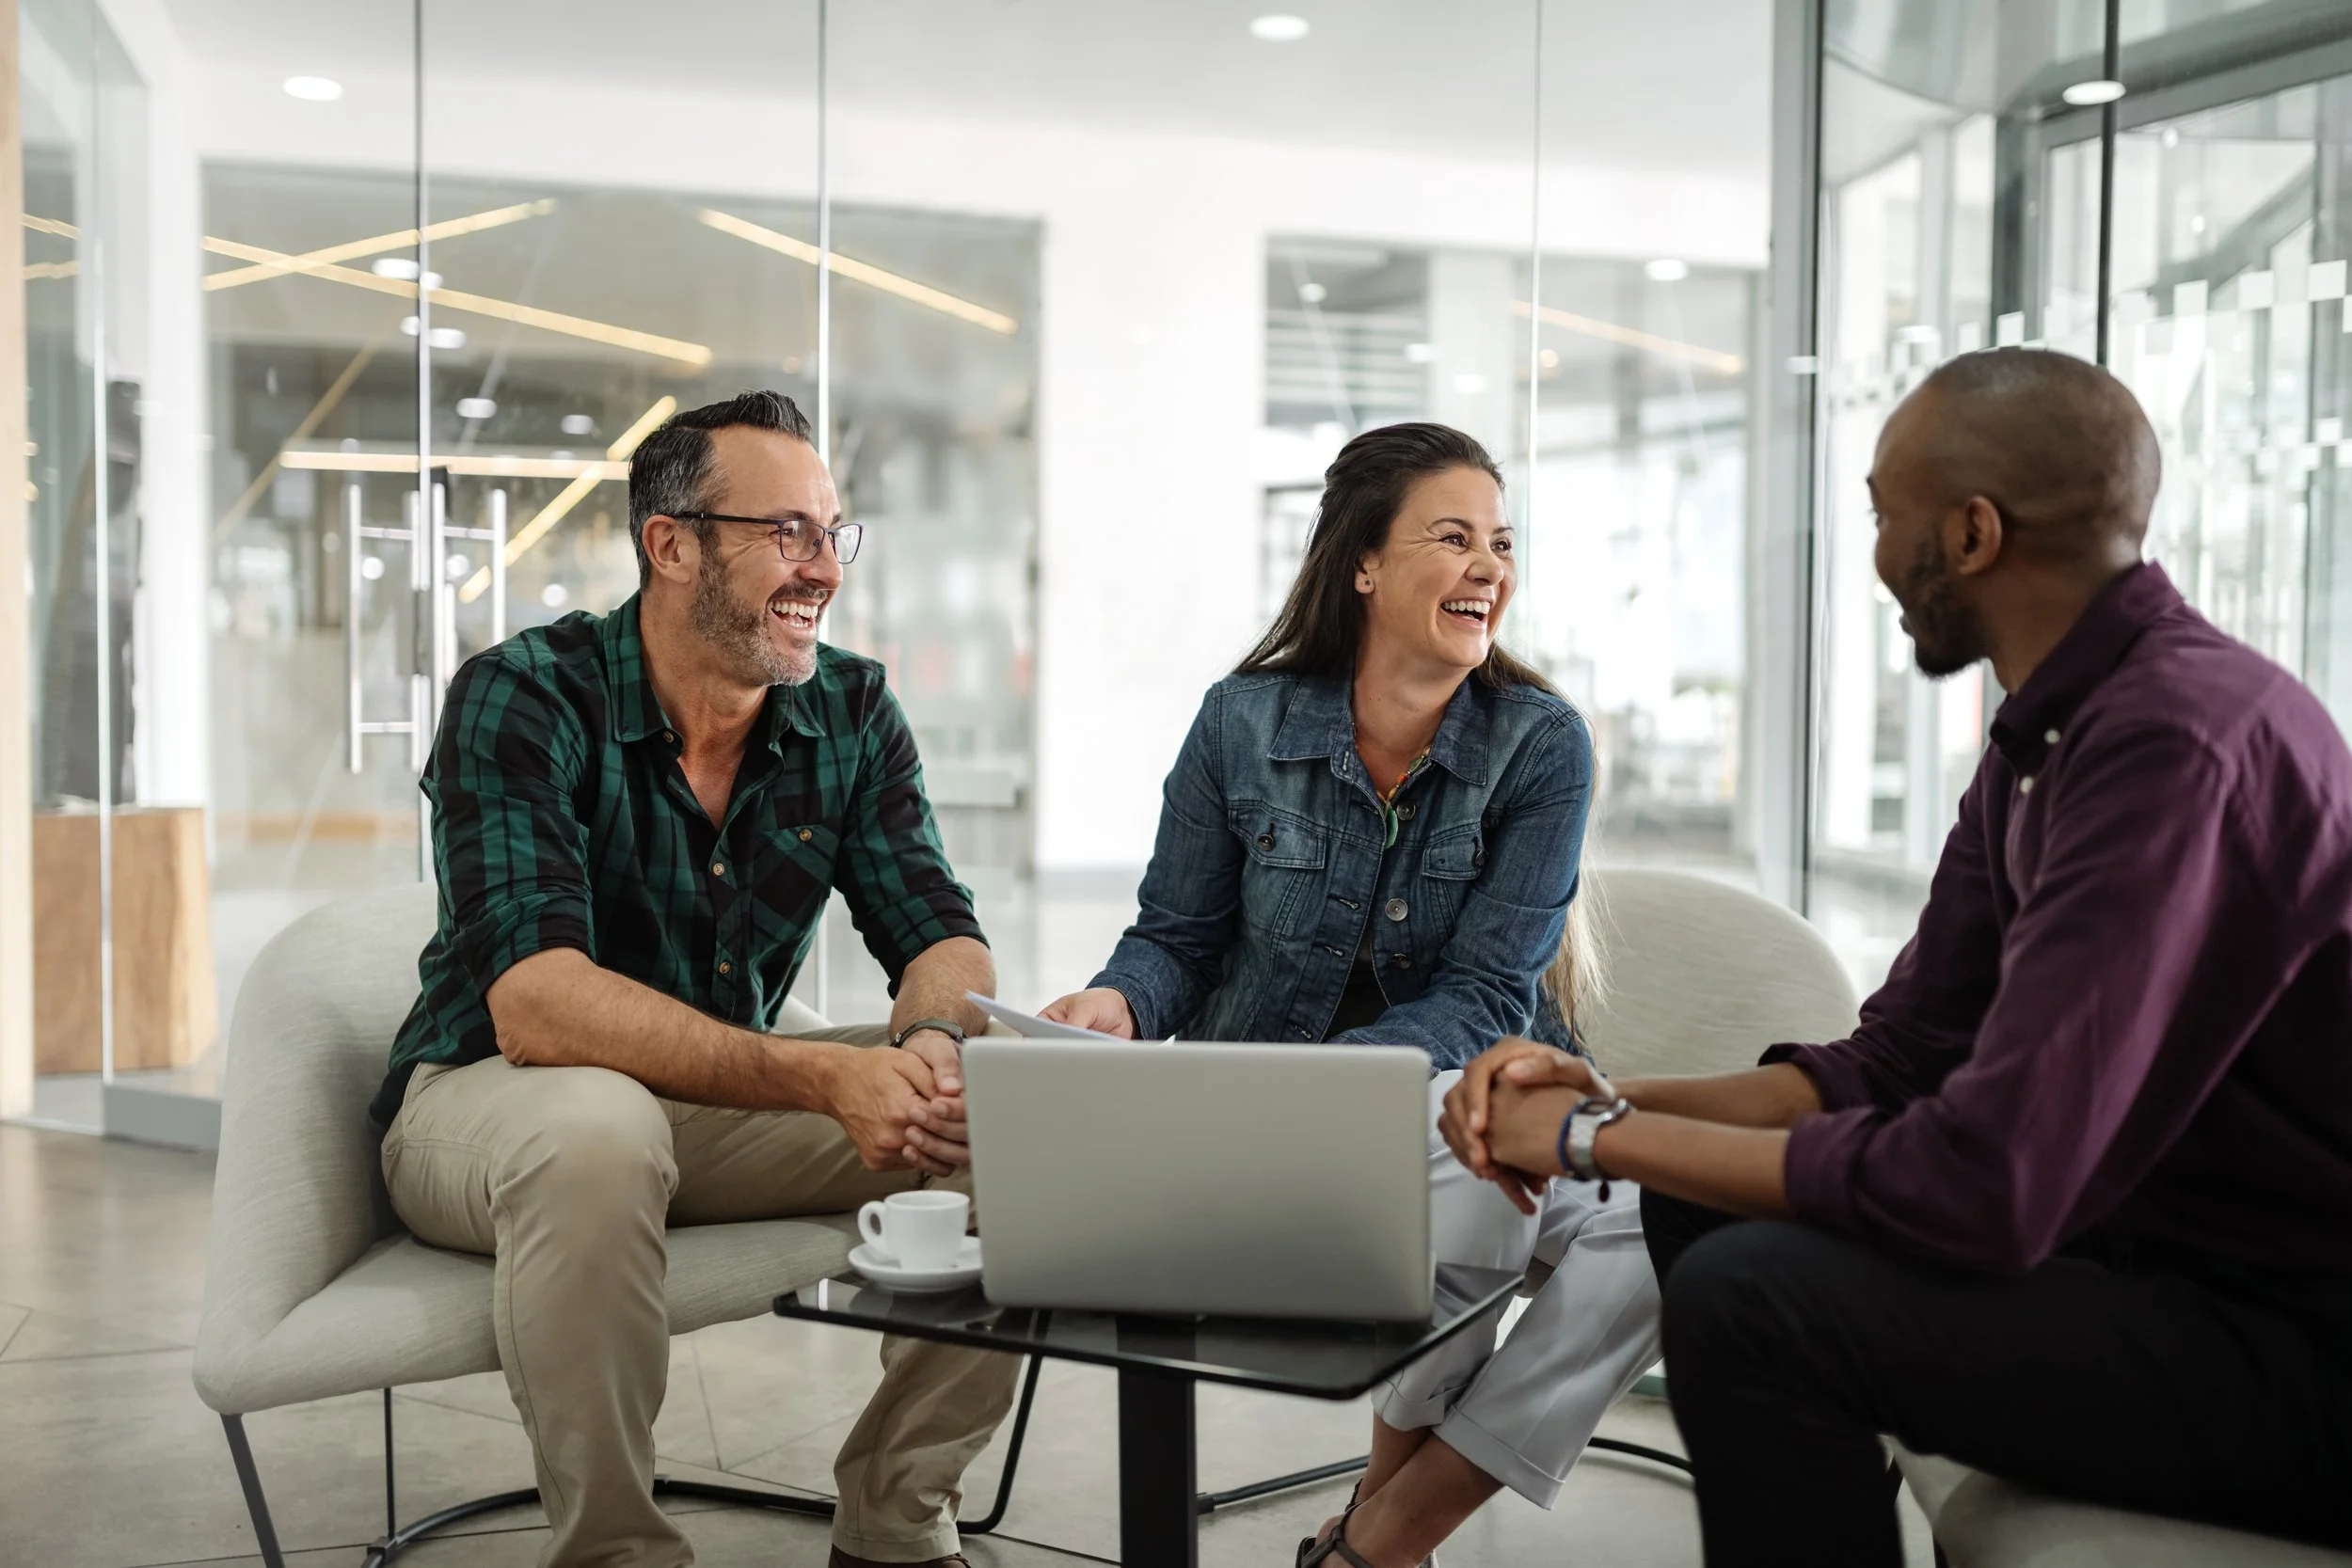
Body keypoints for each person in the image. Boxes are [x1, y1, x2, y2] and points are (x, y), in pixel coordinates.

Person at [1441, 348, 2352, 1566]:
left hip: (2300, 1348)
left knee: (1751, 1298)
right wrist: (1612, 1101)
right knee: (1703, 1203)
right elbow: (1897, 1056)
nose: (1875, 561)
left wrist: (1583, 1143)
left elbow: (1988, 1184)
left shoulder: (2174, 742)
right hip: (2169, 1263)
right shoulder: (2052, 728)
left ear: (1971, 532)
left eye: (1884, 514)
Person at [370, 390, 1017, 1568]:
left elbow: (938, 927)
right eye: (787, 532)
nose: (823, 566)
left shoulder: (851, 707)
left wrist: (931, 1043)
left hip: (713, 1116)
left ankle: (897, 1517)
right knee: (597, 1121)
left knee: (1018, 1099)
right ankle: (617, 1551)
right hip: (490, 1110)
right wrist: (827, 1077)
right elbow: (535, 1001)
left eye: (833, 533)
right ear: (671, 545)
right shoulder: (525, 694)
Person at [1039, 422, 1658, 1567]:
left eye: (1501, 543)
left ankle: (1387, 1530)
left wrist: (1347, 1090)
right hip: (1262, 1123)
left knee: (1652, 1219)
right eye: (1454, 537)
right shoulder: (1241, 721)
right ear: (1363, 563)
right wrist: (1118, 1000)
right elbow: (1174, 937)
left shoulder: (1541, 745)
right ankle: (1386, 1538)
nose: (1490, 567)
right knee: (1467, 1165)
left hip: (1448, 1111)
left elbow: (1482, 997)